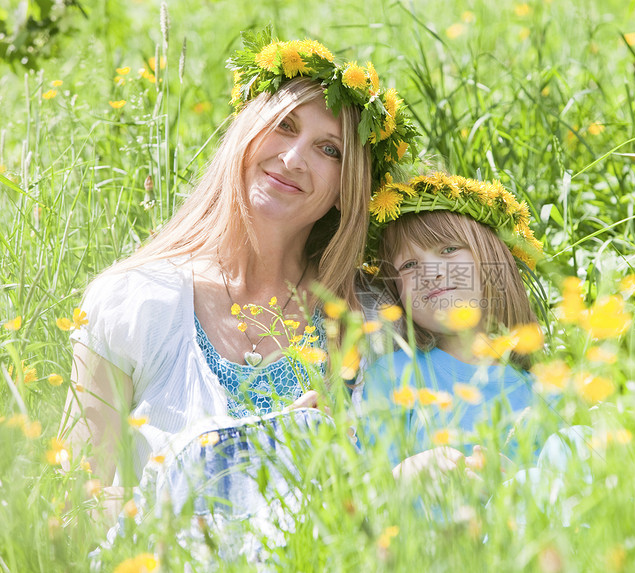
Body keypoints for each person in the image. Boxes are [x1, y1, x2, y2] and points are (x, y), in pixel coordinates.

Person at [60, 28, 418, 521]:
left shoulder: (370, 321)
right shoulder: (135, 301)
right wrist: (251, 456)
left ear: (347, 187)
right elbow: (71, 502)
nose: (293, 160)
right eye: (285, 126)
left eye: (328, 149)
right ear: (245, 134)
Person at [359, 172, 545, 480]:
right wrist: (408, 474)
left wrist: (513, 484)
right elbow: (363, 494)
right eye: (409, 265)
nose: (431, 273)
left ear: (495, 261)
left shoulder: (542, 393)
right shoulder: (395, 376)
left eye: (448, 250)